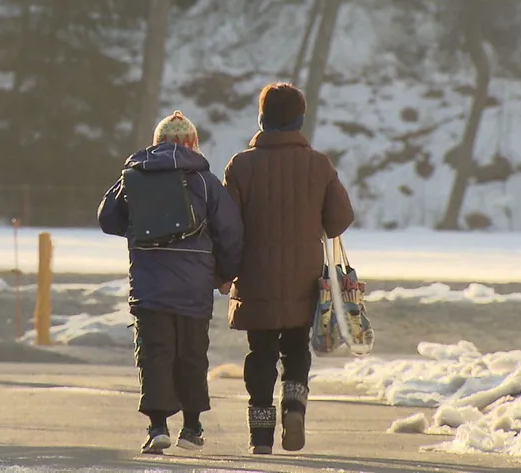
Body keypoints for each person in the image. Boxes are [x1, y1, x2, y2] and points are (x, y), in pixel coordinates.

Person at [98, 111, 243, 454]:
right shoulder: (205, 182)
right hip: (194, 286)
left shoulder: (135, 175)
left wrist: (138, 228)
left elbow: (107, 219)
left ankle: (158, 426)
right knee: (191, 355)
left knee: (154, 355)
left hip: (150, 287)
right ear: (192, 144)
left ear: (157, 143)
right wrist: (226, 273)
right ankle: (191, 428)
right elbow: (231, 232)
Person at [221, 83, 355, 454]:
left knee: (260, 356)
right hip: (303, 280)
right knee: (296, 351)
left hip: (255, 279)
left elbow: (226, 227)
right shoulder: (318, 164)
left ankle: (261, 436)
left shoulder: (241, 165)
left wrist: (221, 274)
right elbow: (339, 220)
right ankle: (294, 407)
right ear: (299, 120)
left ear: (262, 119)